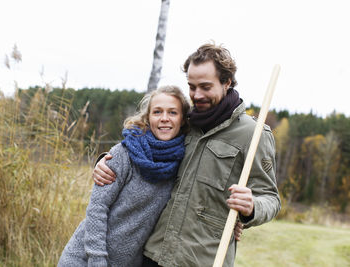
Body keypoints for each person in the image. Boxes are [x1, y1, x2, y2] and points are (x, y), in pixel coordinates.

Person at [93, 42, 281, 267]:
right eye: (192, 87)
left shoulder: (253, 134)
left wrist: (252, 208)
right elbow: (142, 147)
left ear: (226, 82)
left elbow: (270, 197)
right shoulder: (185, 122)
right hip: (153, 254)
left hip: (203, 260)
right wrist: (105, 162)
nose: (197, 95)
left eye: (205, 86)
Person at [58, 85, 191, 267]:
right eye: (157, 112)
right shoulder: (125, 153)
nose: (164, 119)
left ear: (182, 119)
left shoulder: (181, 163)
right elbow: (97, 208)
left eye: (173, 112)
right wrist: (97, 260)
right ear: (148, 117)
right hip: (84, 260)